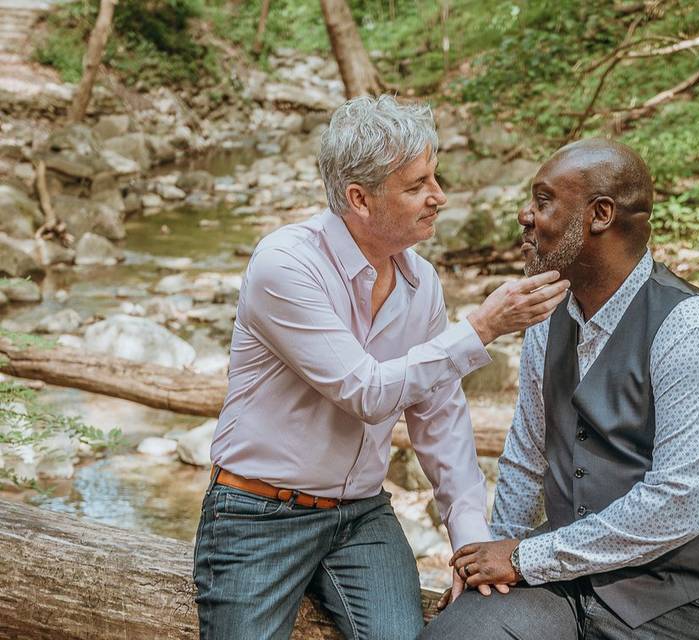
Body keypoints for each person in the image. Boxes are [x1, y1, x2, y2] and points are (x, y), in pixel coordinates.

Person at [192, 95, 569, 640]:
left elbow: (438, 415)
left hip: (361, 517)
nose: (438, 197)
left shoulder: (422, 283)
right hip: (258, 512)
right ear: (359, 199)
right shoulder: (286, 263)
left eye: (434, 179)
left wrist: (468, 539)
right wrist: (482, 327)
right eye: (417, 186)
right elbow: (364, 391)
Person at [421, 138, 699, 640]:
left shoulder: (696, 331)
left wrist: (522, 557)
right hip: (564, 582)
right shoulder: (547, 318)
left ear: (599, 215)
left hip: (691, 598)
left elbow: (680, 504)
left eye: (543, 201)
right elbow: (526, 456)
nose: (525, 215)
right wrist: (489, 563)